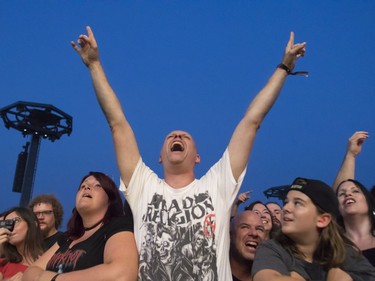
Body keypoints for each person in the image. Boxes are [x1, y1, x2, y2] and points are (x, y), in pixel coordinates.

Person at [71, 25, 306, 280]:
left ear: (197, 157)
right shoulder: (143, 186)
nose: (177, 136)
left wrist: (284, 68)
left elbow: (252, 121)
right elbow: (117, 124)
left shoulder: (218, 184)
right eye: (171, 136)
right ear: (160, 157)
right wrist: (94, 65)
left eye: (186, 136)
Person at [252, 177, 375, 281]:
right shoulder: (272, 248)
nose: (285, 208)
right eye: (286, 202)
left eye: (298, 203)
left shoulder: (343, 252)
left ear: (322, 220)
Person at [23, 172, 138, 281]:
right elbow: (30, 272)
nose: (86, 187)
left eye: (97, 185)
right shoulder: (67, 237)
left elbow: (122, 274)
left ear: (110, 199)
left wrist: (55, 278)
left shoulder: (117, 225)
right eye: (83, 186)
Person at [333, 131, 375, 266]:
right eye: (342, 194)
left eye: (355, 191)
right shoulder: (333, 247)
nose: (348, 194)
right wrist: (350, 155)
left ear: (369, 202)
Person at [0, 207, 44, 280]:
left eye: (16, 220)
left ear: (33, 224)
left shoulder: (48, 263)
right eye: (7, 223)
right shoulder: (3, 263)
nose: (10, 228)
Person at [230, 211, 266, 281]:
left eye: (259, 229)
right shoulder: (211, 272)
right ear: (231, 235)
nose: (254, 233)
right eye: (245, 227)